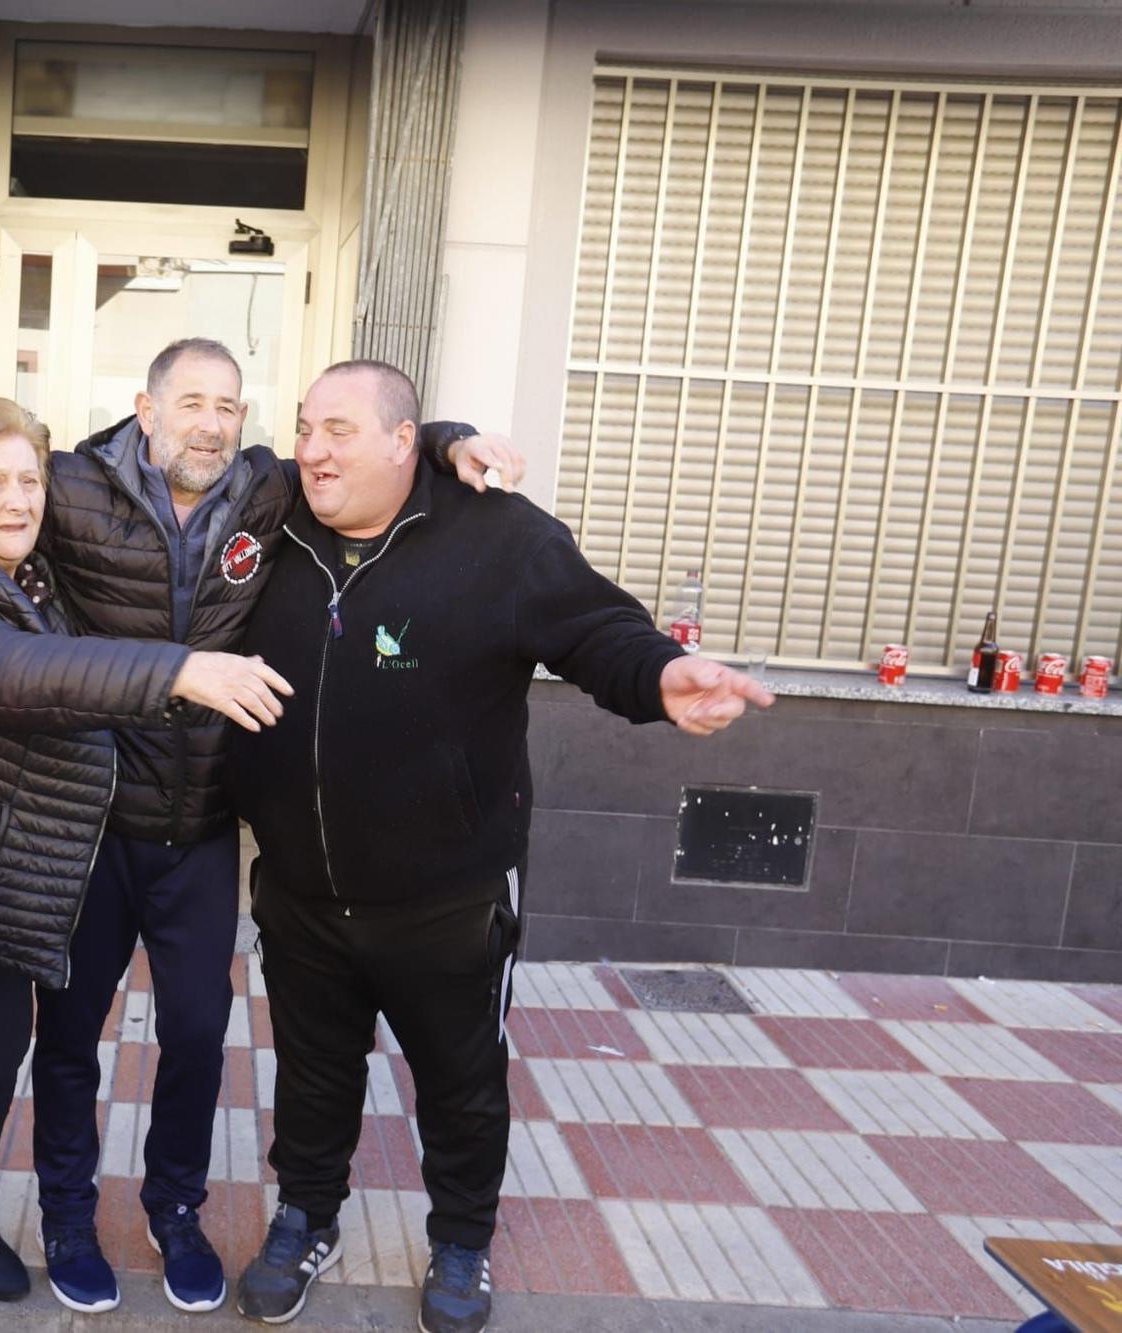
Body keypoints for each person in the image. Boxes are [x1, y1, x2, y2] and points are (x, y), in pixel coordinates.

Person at [0, 338, 523, 1315]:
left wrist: (444, 442)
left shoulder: (265, 492)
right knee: (63, 1039)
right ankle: (63, 1216)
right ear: (144, 409)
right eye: (189, 403)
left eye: (228, 405)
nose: (210, 423)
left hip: (199, 831)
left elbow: (358, 454)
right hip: (88, 829)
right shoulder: (71, 486)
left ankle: (173, 1211)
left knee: (194, 1035)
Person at [226, 360, 774, 1332]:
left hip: (446, 894)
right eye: (305, 426)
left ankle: (462, 1239)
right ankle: (306, 1217)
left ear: (402, 443)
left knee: (459, 1083)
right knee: (311, 1077)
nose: (311, 449)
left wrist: (659, 675)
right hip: (302, 890)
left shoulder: (496, 537)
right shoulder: (270, 520)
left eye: (339, 431)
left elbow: (595, 627)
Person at [0, 396, 292, 1318]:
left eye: (28, 481)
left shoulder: (35, 575)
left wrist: (444, 441)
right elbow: (8, 673)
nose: (16, 501)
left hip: (9, 882)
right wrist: (178, 669)